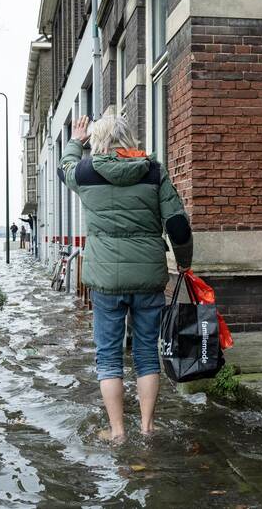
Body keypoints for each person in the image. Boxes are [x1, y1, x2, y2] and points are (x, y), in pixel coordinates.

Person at [58, 114, 192, 442]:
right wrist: (185, 264)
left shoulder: (87, 172)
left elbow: (65, 167)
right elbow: (177, 223)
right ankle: (147, 427)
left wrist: (76, 139)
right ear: (129, 137)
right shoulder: (153, 170)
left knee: (108, 354)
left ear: (98, 140)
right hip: (148, 276)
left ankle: (117, 431)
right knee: (147, 352)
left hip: (105, 280)